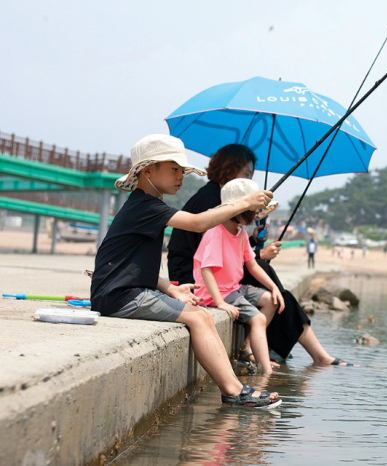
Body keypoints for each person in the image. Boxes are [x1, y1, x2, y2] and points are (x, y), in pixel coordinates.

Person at [90, 134, 280, 408]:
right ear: (148, 170)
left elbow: (128, 267)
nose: (181, 176)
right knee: (200, 318)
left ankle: (236, 388)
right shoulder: (147, 206)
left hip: (122, 291)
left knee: (202, 315)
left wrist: (168, 288)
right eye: (174, 169)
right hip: (119, 298)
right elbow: (197, 223)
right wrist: (243, 203)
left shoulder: (144, 205)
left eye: (182, 170)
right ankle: (233, 391)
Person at [167, 144, 354, 367]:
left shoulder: (222, 201)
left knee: (274, 290)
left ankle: (284, 347)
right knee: (268, 278)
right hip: (192, 275)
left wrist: (254, 241)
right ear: (229, 168)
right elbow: (208, 251)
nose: (249, 178)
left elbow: (231, 245)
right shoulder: (212, 200)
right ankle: (303, 352)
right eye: (246, 172)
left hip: (218, 270)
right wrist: (259, 254)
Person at [194, 178, 286, 375]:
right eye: (251, 212)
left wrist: (274, 287)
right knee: (259, 320)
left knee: (272, 300)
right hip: (216, 292)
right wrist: (220, 302)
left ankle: (247, 348)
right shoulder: (215, 232)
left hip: (233, 288)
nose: (254, 216)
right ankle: (266, 372)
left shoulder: (241, 232)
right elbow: (206, 270)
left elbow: (252, 265)